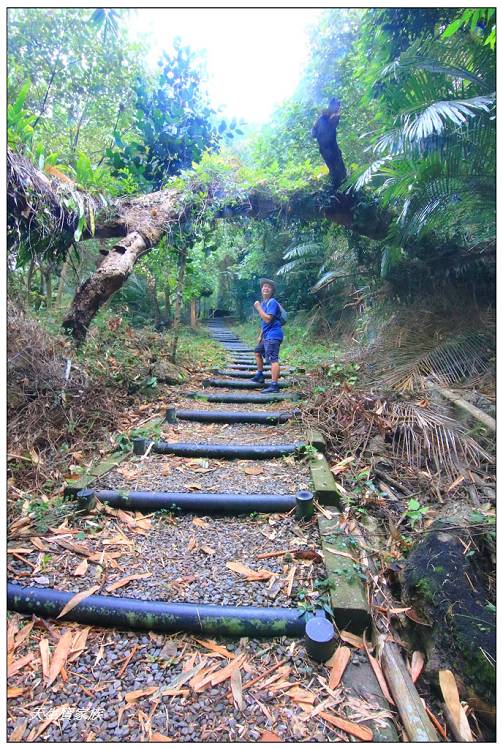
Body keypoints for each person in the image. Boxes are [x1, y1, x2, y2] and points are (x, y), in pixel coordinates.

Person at [251, 278, 283, 393]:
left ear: (272, 290)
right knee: (258, 351)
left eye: (269, 287)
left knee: (273, 359)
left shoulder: (272, 302)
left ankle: (274, 386)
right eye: (264, 286)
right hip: (267, 335)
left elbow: (268, 319)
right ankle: (260, 376)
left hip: (274, 335)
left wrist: (258, 308)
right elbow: (264, 322)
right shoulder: (264, 303)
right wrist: (261, 335)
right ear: (261, 289)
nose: (266, 288)